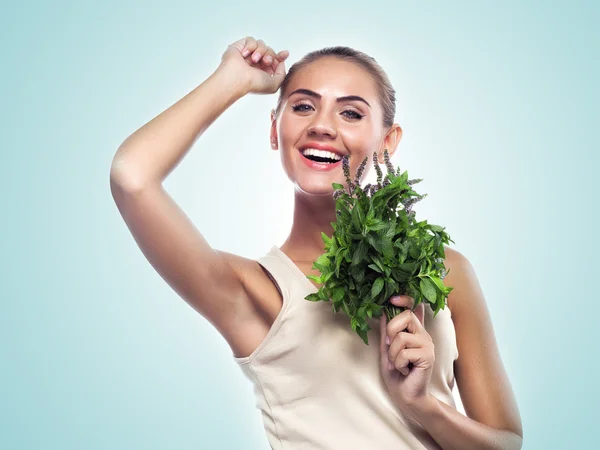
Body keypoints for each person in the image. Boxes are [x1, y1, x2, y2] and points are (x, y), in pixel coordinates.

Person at [109, 36, 523, 449]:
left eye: (351, 113)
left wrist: (422, 406)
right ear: (275, 129)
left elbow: (506, 443)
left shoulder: (444, 271)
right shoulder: (253, 292)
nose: (322, 125)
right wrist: (230, 80)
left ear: (388, 142)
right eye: (303, 106)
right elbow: (132, 177)